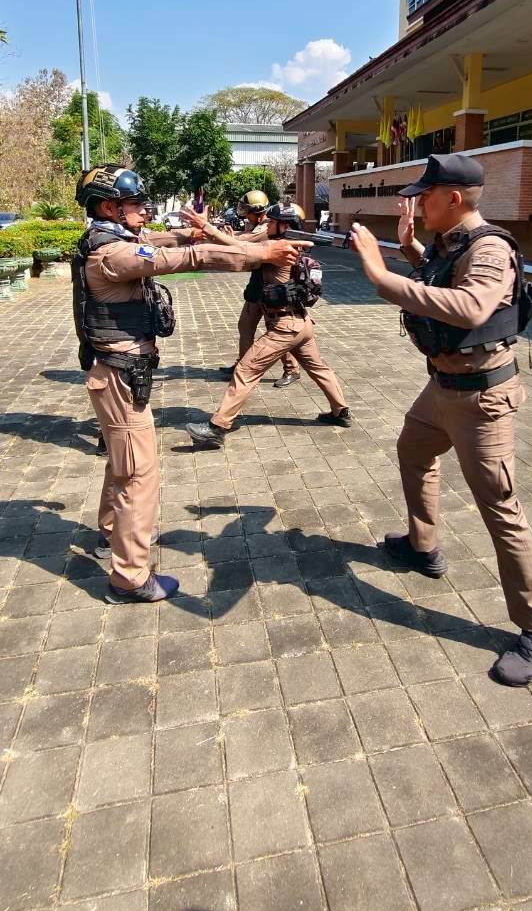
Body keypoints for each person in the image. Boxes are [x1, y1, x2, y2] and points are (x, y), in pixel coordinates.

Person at [351, 152, 532, 688]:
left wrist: (378, 273)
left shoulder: (491, 248)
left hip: (481, 399)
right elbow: (441, 275)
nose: (417, 204)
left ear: (452, 198)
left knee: (501, 508)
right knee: (413, 450)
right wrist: (407, 246)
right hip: (444, 386)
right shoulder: (455, 243)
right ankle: (422, 546)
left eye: (424, 196)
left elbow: (470, 307)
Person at [72, 165, 303, 604]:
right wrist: (260, 254)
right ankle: (129, 579)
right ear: (108, 207)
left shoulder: (110, 240)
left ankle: (111, 533)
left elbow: (164, 242)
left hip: (120, 374)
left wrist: (197, 232)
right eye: (135, 203)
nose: (144, 210)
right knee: (138, 475)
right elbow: (187, 259)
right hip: (119, 376)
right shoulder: (112, 255)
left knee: (122, 465)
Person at [186, 201, 351, 448]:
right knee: (319, 369)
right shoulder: (294, 247)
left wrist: (206, 227)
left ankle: (217, 427)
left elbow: (240, 248)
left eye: (272, 222)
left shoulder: (277, 247)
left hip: (284, 327)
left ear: (284, 226)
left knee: (245, 371)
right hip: (302, 323)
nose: (267, 225)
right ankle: (341, 412)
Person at [219, 190, 301, 389]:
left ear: (257, 212)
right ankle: (243, 365)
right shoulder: (261, 226)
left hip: (272, 289)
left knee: (277, 333)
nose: (245, 215)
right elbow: (244, 239)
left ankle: (292, 370)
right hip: (258, 284)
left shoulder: (267, 228)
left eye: (248, 211)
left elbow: (244, 242)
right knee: (245, 326)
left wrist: (224, 237)